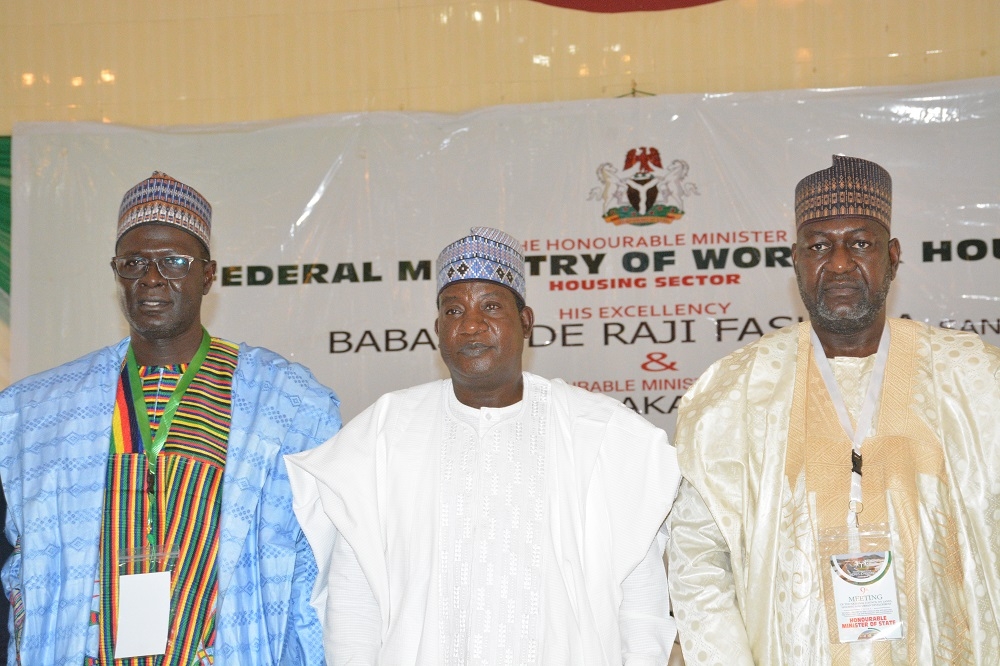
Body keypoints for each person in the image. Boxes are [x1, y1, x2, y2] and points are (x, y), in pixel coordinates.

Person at [286, 226, 681, 664]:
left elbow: (642, 604)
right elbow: (353, 602)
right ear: (438, 329)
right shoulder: (382, 434)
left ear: (526, 321)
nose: (471, 324)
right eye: (453, 311)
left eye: (490, 306)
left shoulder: (603, 434)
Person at [667, 155, 1000, 664]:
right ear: (795, 260)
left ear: (892, 256)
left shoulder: (973, 376)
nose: (840, 263)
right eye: (819, 246)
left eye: (860, 243)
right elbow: (698, 558)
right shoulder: (736, 391)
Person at [0, 172, 342, 664]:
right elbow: (22, 566)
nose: (152, 278)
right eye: (133, 262)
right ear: (115, 272)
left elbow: (316, 570)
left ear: (208, 274)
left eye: (175, 262)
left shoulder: (285, 404)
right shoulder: (44, 411)